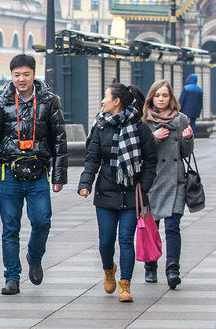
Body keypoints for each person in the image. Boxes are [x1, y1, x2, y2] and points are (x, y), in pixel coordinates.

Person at [0, 54, 68, 295]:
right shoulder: (1, 102)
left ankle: (34, 255)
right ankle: (12, 276)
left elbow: (59, 138)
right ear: (11, 76)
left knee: (42, 221)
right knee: (10, 227)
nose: (21, 79)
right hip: (9, 173)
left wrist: (59, 175)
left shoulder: (49, 101)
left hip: (38, 172)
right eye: (17, 75)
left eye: (26, 74)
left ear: (34, 73)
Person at [78, 83, 157, 303]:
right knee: (105, 241)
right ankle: (108, 269)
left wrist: (145, 185)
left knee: (125, 240)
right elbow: (92, 158)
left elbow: (150, 160)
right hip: (106, 191)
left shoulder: (139, 128)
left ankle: (125, 284)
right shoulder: (101, 126)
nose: (103, 101)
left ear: (117, 102)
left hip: (132, 193)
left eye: (106, 97)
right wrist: (86, 183)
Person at [142, 80, 193, 289]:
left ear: (171, 98)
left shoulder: (181, 120)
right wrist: (153, 137)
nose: (161, 99)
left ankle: (173, 268)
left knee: (173, 226)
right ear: (151, 98)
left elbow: (186, 153)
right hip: (152, 181)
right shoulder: (144, 121)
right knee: (152, 227)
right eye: (157, 96)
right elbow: (139, 151)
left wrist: (188, 139)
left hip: (175, 181)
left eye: (165, 95)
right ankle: (150, 265)